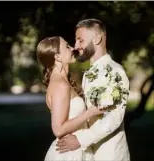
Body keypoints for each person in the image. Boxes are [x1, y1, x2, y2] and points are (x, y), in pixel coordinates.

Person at [56, 19, 131, 161]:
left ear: (97, 39)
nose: (76, 46)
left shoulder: (115, 71)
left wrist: (80, 140)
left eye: (80, 40)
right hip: (89, 153)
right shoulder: (89, 72)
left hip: (110, 153)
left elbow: (114, 117)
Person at [36, 36, 105, 161]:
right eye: (67, 47)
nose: (73, 48)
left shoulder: (62, 81)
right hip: (70, 154)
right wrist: (91, 112)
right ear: (57, 57)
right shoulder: (60, 85)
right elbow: (58, 129)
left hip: (76, 148)